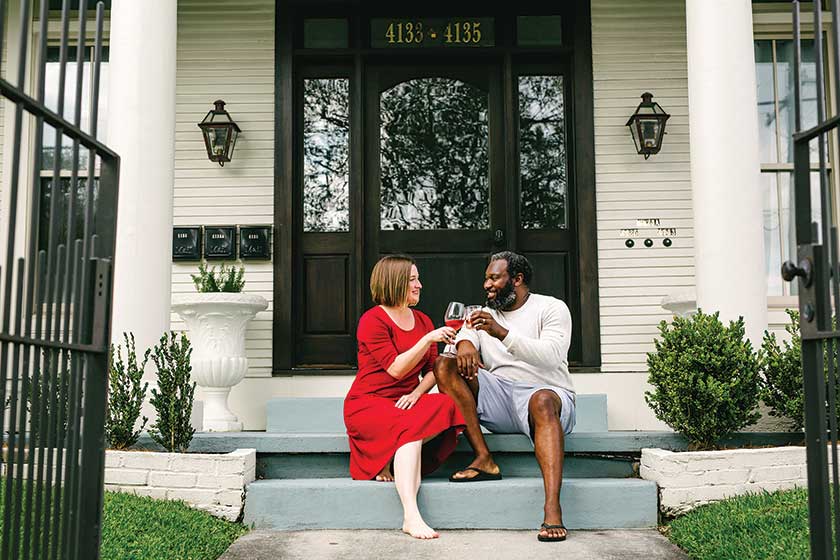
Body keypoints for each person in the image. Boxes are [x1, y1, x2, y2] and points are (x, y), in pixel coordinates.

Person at [434, 251, 575, 543]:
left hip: (547, 395)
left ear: (517, 279)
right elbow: (466, 338)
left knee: (542, 400)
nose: (487, 284)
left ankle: (552, 508)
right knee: (443, 365)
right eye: (486, 278)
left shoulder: (551, 308)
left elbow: (552, 357)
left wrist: (502, 333)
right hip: (499, 397)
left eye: (494, 277)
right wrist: (463, 343)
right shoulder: (483, 315)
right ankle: (484, 458)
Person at [344, 255, 466, 540]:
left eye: (417, 278)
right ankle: (411, 514)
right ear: (395, 281)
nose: (419, 285)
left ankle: (388, 456)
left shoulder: (422, 320)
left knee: (446, 403)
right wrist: (426, 340)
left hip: (404, 402)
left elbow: (433, 371)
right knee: (410, 430)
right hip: (368, 404)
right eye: (412, 279)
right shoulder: (372, 320)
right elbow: (396, 369)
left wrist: (416, 392)